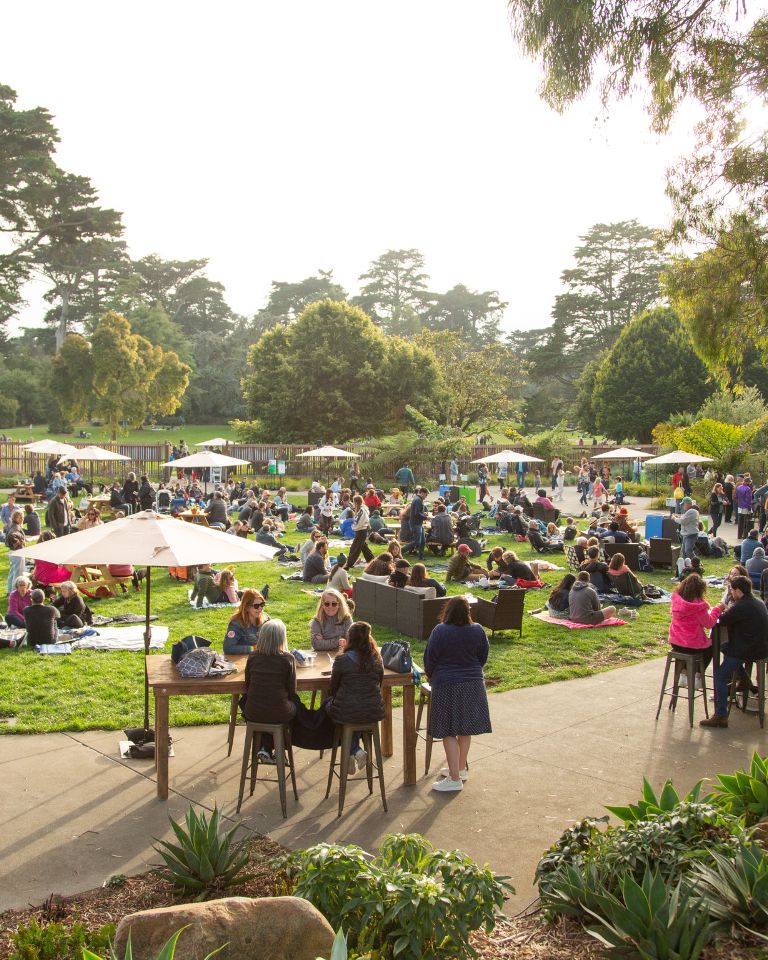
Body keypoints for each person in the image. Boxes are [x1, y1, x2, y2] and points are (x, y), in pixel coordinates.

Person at [424, 596, 491, 792]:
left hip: (447, 683)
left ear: (448, 611)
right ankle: (460, 769)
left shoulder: (440, 631)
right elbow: (483, 656)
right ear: (467, 612)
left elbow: (430, 658)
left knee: (447, 730)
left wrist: (431, 676)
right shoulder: (478, 630)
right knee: (464, 728)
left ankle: (454, 778)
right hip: (473, 683)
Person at [701, 576, 768, 728]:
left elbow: (721, 621)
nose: (730, 592)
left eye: (731, 589)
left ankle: (721, 715)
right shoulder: (758, 602)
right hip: (761, 649)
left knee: (720, 674)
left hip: (746, 650)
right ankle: (744, 680)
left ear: (738, 590)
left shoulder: (741, 606)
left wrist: (721, 608)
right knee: (724, 648)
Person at [328, 620, 385, 774]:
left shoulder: (342, 660)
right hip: (373, 710)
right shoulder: (377, 659)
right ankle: (354, 751)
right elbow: (379, 683)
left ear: (350, 638)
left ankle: (352, 751)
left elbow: (333, 688)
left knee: (337, 709)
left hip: (348, 710)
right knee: (357, 712)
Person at [667, 572, 719, 686]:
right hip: (692, 644)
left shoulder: (677, 601)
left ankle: (683, 674)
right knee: (710, 649)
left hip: (676, 642)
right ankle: (697, 676)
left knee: (689, 649)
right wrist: (717, 610)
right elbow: (709, 623)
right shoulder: (698, 606)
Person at [224, 588, 270, 654]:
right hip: (246, 659)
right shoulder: (236, 624)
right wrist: (254, 648)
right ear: (247, 607)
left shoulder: (266, 619)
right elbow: (228, 647)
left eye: (262, 604)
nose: (260, 608)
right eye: (256, 606)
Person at [344, 495, 374, 570]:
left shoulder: (361, 510)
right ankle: (372, 561)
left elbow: (357, 522)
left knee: (355, 548)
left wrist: (354, 528)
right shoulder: (363, 508)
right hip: (362, 530)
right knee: (364, 548)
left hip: (361, 531)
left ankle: (348, 564)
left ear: (356, 502)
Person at [403, 486, 430, 560]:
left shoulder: (418, 499)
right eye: (426, 495)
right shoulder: (418, 500)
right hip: (415, 524)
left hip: (418, 523)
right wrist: (426, 517)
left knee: (423, 541)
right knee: (416, 541)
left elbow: (417, 512)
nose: (426, 497)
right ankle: (400, 551)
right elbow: (416, 514)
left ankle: (421, 557)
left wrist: (423, 513)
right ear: (422, 493)